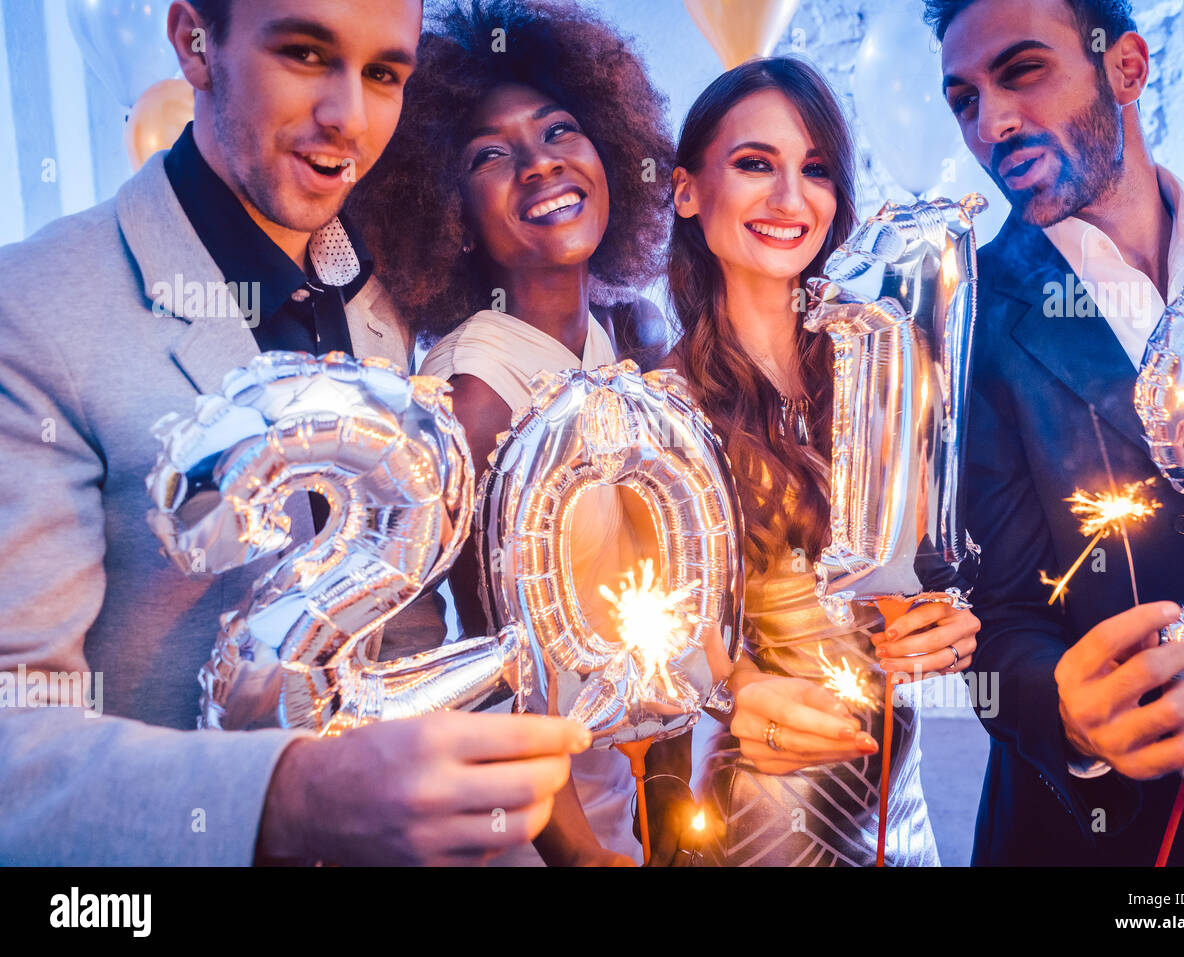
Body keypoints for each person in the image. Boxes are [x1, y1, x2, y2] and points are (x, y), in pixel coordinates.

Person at [0, 0, 589, 866]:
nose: (348, 118)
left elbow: (403, 632)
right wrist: (287, 798)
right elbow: (15, 753)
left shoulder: (385, 293)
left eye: (384, 73)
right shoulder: (35, 307)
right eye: (307, 53)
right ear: (195, 44)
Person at [927, 0, 1184, 864]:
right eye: (964, 99)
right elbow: (997, 610)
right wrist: (1067, 714)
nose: (994, 122)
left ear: (1126, 67)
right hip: (1089, 832)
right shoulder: (966, 318)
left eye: (1022, 71)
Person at [349, 0, 676, 866]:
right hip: (543, 814)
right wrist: (580, 851)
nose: (542, 165)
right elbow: (499, 662)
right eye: (492, 155)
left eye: (561, 131)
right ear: (447, 206)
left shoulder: (606, 342)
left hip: (622, 775)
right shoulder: (476, 389)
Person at [665, 56, 981, 866]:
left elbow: (919, 580)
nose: (789, 198)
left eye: (815, 170)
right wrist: (734, 689)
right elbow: (665, 642)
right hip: (770, 809)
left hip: (900, 809)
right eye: (754, 164)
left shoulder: (894, 364)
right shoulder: (661, 405)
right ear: (687, 189)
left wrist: (942, 629)